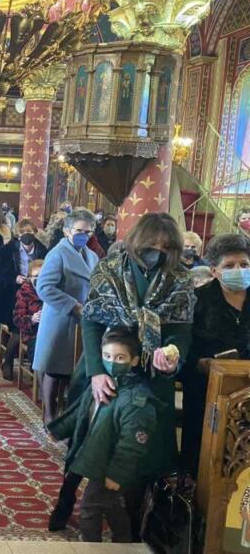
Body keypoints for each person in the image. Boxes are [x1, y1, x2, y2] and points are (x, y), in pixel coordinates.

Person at [71, 212, 193, 538]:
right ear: (138, 242)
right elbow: (91, 321)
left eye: (166, 247)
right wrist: (97, 372)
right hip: (110, 369)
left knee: (145, 453)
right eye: (153, 245)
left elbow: (181, 331)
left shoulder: (180, 278)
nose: (158, 252)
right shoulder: (110, 269)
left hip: (154, 378)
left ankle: (137, 524)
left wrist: (174, 356)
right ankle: (92, 512)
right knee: (101, 446)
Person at [48, 328, 160, 542]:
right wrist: (59, 430)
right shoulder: (102, 384)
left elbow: (132, 445)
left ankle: (90, 545)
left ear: (134, 360)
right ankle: (124, 542)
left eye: (120, 358)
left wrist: (117, 474)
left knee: (90, 507)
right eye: (107, 356)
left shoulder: (137, 401)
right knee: (111, 505)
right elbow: (82, 412)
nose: (112, 362)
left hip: (111, 465)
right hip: (96, 456)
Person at [181, 233, 250, 476]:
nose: (239, 270)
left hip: (248, 392)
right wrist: (201, 364)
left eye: (244, 264)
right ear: (214, 271)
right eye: (229, 266)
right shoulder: (197, 300)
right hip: (206, 392)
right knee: (202, 460)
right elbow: (183, 347)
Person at [32, 209, 99, 424]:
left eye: (88, 232)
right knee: (54, 368)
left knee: (74, 371)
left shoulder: (92, 256)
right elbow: (44, 287)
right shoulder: (58, 253)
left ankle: (69, 416)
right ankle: (49, 414)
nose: (83, 235)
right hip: (60, 318)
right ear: (67, 231)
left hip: (82, 320)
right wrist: (73, 305)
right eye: (79, 231)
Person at [0, 219, 48, 378]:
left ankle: (36, 362)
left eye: (29, 231)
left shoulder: (42, 250)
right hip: (10, 292)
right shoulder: (7, 249)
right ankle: (8, 361)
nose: (26, 235)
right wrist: (14, 278)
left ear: (35, 233)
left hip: (36, 291)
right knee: (18, 324)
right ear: (18, 235)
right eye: (22, 232)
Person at [13, 259, 45, 366]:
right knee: (39, 349)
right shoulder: (24, 292)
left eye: (42, 276)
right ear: (30, 278)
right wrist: (32, 319)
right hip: (32, 333)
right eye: (35, 276)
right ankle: (38, 372)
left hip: (50, 331)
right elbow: (17, 318)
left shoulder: (51, 290)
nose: (39, 279)